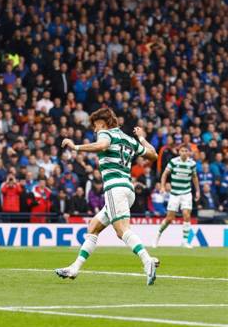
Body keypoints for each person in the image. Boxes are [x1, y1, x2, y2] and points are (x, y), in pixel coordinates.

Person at [55, 108, 160, 285]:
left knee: (121, 231)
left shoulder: (106, 133)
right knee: (93, 227)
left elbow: (102, 145)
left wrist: (76, 147)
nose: (95, 130)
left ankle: (147, 260)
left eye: (95, 126)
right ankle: (74, 268)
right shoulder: (128, 139)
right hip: (128, 188)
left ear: (103, 123)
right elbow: (153, 155)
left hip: (115, 188)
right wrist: (141, 138)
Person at [154, 144, 200, 248]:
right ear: (179, 152)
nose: (184, 152)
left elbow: (194, 177)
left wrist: (197, 191)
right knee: (170, 218)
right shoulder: (173, 162)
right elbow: (165, 174)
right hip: (174, 193)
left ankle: (184, 241)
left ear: (188, 152)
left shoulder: (192, 163)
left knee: (186, 215)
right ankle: (158, 234)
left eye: (186, 151)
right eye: (182, 151)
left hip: (186, 193)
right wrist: (162, 186)